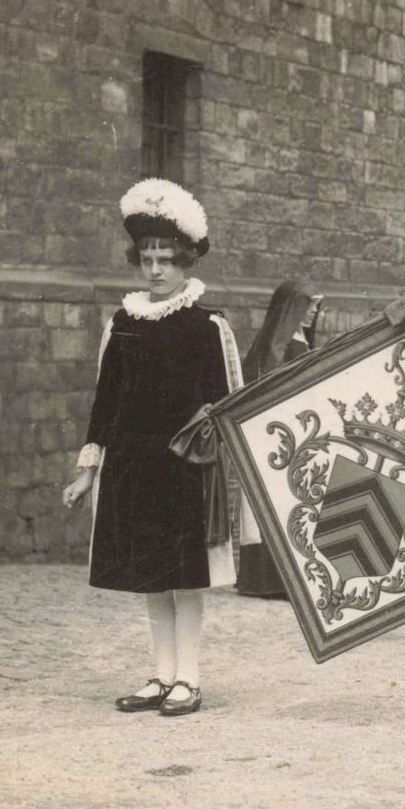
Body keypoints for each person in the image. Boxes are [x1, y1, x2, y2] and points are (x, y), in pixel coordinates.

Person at [61, 178, 243, 717]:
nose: (156, 269)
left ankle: (189, 678)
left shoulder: (206, 324)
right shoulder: (123, 322)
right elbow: (106, 398)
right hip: (132, 464)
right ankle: (161, 675)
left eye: (166, 258)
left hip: (184, 467)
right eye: (147, 258)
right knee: (149, 576)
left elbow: (224, 402)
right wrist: (87, 469)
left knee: (184, 576)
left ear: (186, 260)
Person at [235, 281, 324, 599]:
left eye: (315, 306)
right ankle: (266, 579)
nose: (313, 311)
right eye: (308, 306)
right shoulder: (279, 343)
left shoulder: (298, 339)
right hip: (277, 433)